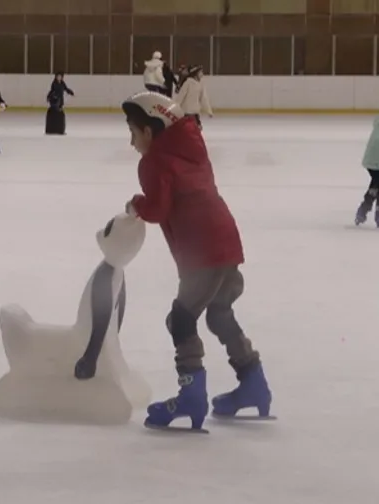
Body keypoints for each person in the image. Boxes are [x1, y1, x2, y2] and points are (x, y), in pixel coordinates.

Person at [120, 91, 272, 432]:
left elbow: (157, 209)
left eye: (133, 132)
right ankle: (254, 383)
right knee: (219, 314)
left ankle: (191, 395)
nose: (132, 142)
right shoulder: (192, 149)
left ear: (150, 130)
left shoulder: (154, 162)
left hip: (201, 251)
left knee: (181, 320)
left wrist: (136, 204)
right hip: (226, 242)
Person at [355, 117, 379, 226]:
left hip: (370, 159)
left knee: (375, 184)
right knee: (376, 184)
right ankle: (369, 212)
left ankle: (363, 210)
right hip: (376, 159)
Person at [173, 65, 213, 130]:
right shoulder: (188, 83)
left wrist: (209, 111)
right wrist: (175, 109)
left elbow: (203, 98)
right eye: (200, 72)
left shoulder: (201, 84)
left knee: (197, 129)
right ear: (195, 73)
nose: (202, 74)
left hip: (195, 112)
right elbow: (180, 97)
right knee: (188, 130)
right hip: (186, 112)